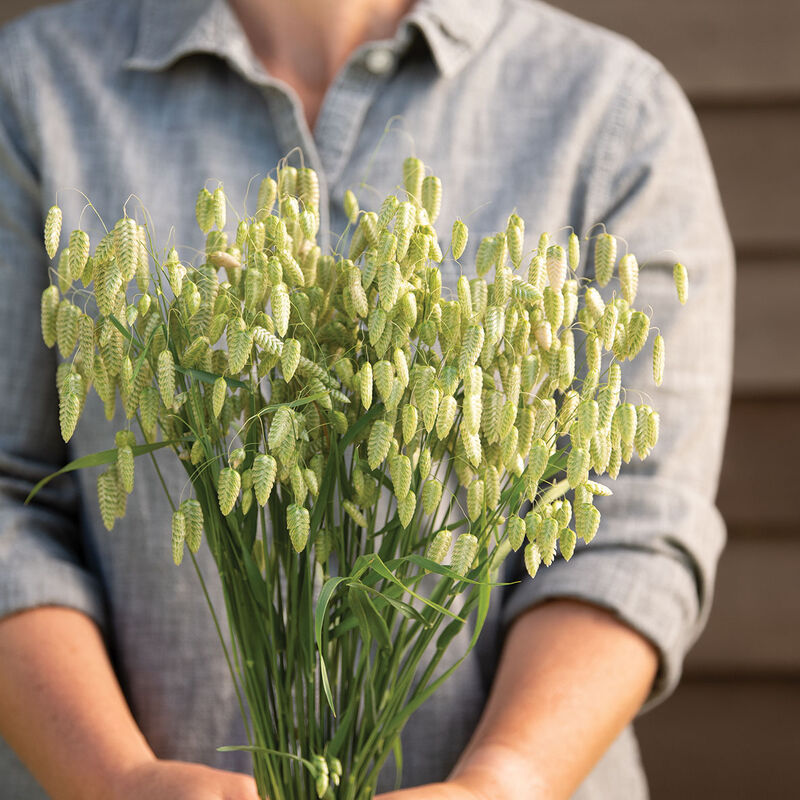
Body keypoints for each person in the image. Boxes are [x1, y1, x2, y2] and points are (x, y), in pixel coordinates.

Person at [0, 0, 734, 798]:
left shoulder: (613, 112)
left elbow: (633, 524)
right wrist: (117, 781)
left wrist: (502, 784)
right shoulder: (35, 87)